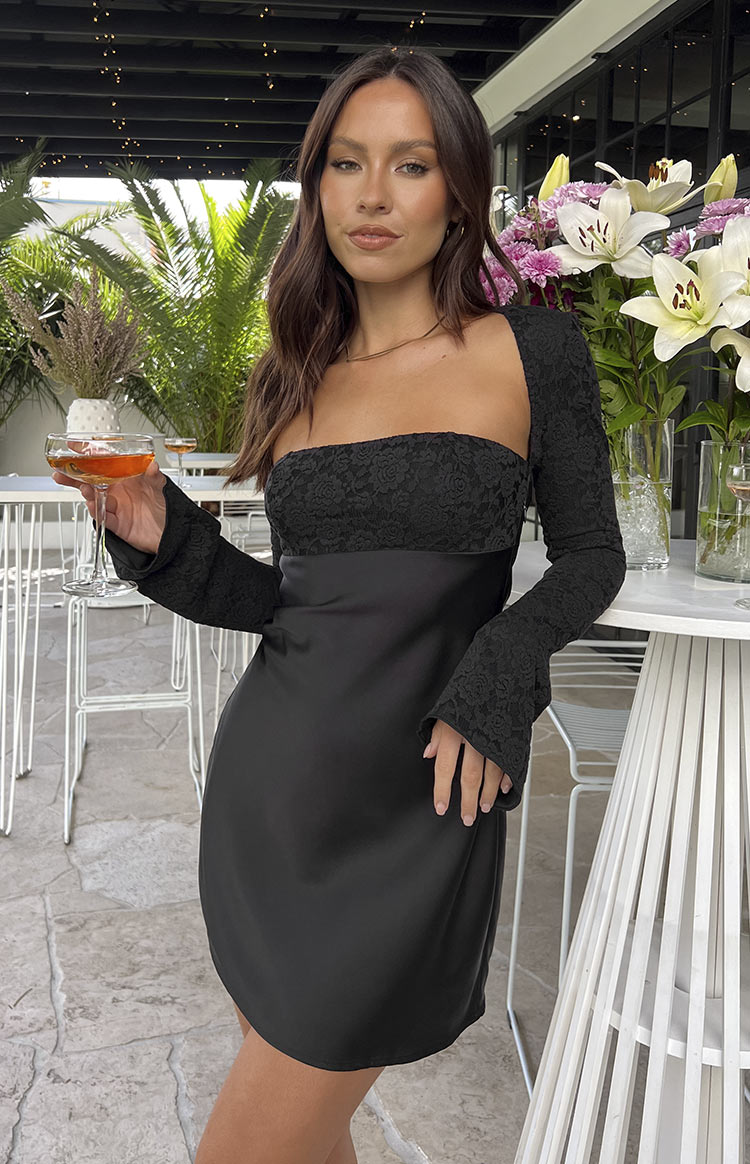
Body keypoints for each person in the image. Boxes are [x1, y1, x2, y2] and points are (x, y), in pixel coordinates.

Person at [53, 44, 627, 1164]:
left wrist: (505, 666)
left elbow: (591, 558)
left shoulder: (534, 351)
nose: (373, 196)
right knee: (304, 1139)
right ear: (315, 186)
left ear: (459, 189)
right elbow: (287, 602)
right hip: (277, 791)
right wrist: (162, 537)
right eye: (347, 165)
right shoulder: (296, 371)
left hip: (422, 799)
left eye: (409, 165)